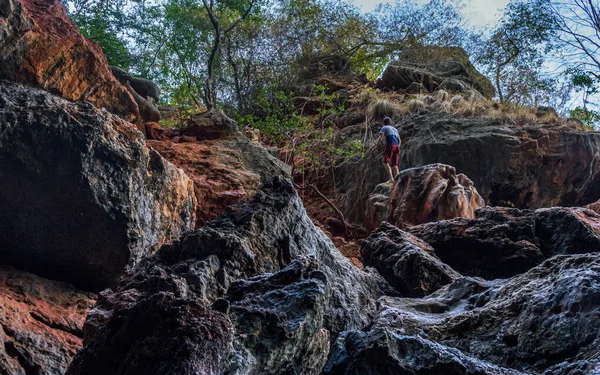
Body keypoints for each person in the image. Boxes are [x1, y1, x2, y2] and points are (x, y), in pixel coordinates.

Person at [377, 117, 400, 183]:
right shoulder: (395, 129)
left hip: (390, 145)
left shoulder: (384, 127)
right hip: (397, 146)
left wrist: (377, 145)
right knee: (395, 165)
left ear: (384, 123)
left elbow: (380, 138)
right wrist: (398, 146)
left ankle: (391, 179)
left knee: (385, 162)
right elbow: (399, 140)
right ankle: (398, 180)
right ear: (390, 122)